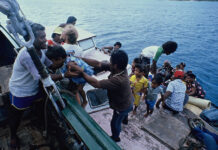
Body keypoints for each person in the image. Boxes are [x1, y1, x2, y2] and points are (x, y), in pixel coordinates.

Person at [8, 24, 67, 149]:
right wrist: (65, 75)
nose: (45, 39)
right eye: (41, 37)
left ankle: (42, 124)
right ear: (31, 39)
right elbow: (44, 77)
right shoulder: (27, 56)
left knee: (41, 105)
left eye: (45, 36)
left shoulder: (42, 50)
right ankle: (13, 135)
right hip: (21, 91)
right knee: (16, 115)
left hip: (34, 87)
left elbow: (49, 65)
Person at [72, 50, 133, 142]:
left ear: (115, 65)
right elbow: (98, 64)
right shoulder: (121, 68)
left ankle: (116, 137)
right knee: (124, 114)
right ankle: (125, 120)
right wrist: (80, 59)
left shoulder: (119, 80)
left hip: (122, 106)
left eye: (111, 62)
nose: (109, 63)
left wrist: (81, 72)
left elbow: (96, 83)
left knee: (115, 123)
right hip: (128, 100)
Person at [61, 24, 93, 107]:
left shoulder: (62, 48)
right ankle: (84, 102)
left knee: (74, 93)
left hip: (69, 73)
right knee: (79, 89)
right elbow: (81, 62)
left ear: (65, 36)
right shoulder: (79, 49)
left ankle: (79, 108)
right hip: (79, 73)